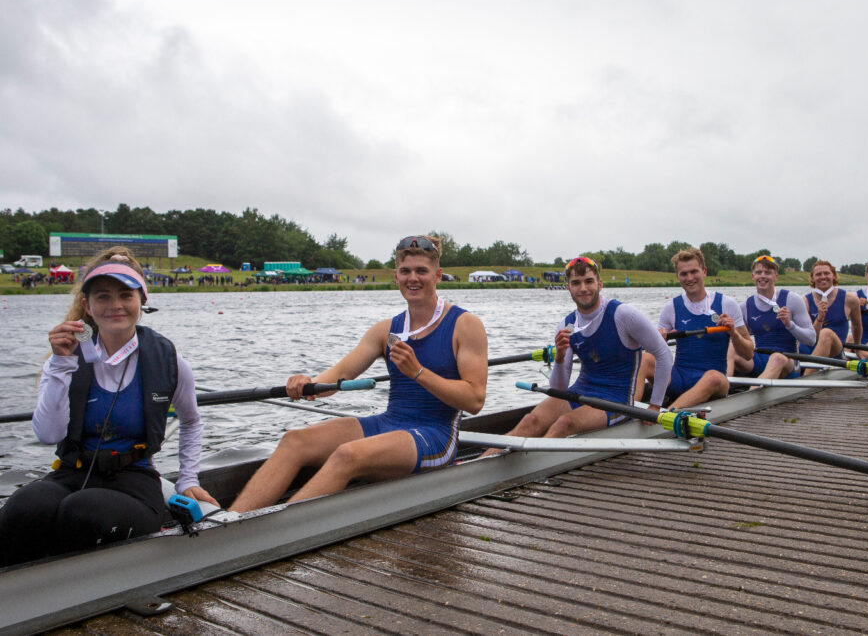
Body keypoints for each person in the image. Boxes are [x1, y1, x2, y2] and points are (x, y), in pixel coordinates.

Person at [230, 235, 487, 512]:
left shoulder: (465, 325)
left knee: (347, 454)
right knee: (294, 441)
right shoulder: (387, 332)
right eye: (406, 271)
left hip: (435, 435)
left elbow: (474, 400)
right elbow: (339, 375)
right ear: (396, 276)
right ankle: (230, 524)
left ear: (437, 275)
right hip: (391, 422)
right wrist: (308, 382)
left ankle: (273, 533)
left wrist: (418, 372)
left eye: (421, 271)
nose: (413, 278)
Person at [0, 247, 216, 567]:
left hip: (135, 480)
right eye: (103, 296)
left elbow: (191, 420)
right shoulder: (65, 358)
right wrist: (60, 365)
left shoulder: (169, 361)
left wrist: (187, 480)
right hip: (72, 473)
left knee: (82, 510)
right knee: (23, 507)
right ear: (87, 305)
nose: (115, 305)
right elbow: (48, 435)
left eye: (125, 295)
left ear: (141, 299)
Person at [483, 257, 670, 456]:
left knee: (564, 423)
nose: (583, 288)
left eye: (589, 281)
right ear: (568, 288)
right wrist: (560, 357)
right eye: (576, 283)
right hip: (581, 391)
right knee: (531, 421)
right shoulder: (567, 324)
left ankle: (525, 465)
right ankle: (480, 464)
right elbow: (558, 390)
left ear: (600, 284)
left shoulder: (624, 314)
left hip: (617, 399)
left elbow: (664, 354)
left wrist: (655, 405)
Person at [636, 248, 753, 407]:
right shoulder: (671, 308)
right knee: (644, 358)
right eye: (684, 274)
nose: (689, 278)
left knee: (714, 377)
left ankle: (667, 416)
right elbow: (655, 352)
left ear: (704, 271)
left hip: (714, 383)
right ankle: (628, 412)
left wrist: (733, 333)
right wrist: (658, 341)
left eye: (694, 272)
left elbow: (748, 353)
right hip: (678, 379)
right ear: (677, 277)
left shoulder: (727, 304)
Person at [731, 255, 817, 379]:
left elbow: (811, 339)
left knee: (777, 357)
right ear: (753, 277)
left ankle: (754, 393)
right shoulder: (744, 307)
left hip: (789, 362)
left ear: (776, 276)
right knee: (730, 348)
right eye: (758, 272)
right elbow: (739, 340)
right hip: (760, 360)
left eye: (767, 272)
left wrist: (790, 325)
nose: (762, 276)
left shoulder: (792, 299)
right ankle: (723, 390)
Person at [800, 260, 863, 358]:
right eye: (818, 274)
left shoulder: (850, 299)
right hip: (811, 347)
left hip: (835, 351)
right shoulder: (805, 301)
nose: (823, 277)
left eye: (827, 273)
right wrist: (820, 318)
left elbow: (856, 326)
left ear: (833, 276)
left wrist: (858, 349)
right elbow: (811, 338)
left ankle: (808, 371)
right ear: (813, 278)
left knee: (826, 333)